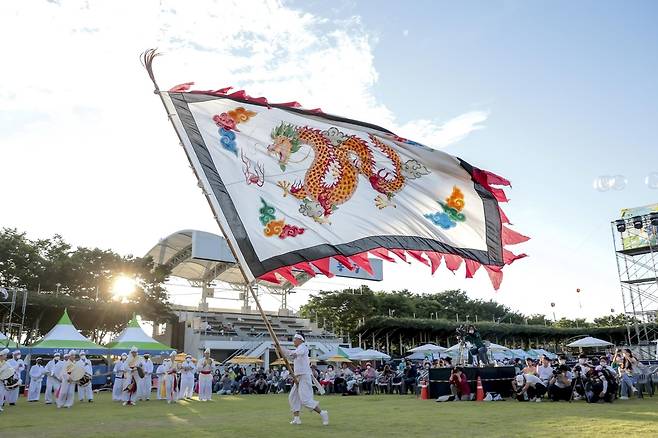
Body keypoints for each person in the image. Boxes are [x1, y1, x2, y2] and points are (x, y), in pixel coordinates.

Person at [285, 333, 329, 426]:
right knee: (293, 397)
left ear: (300, 340)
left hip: (304, 376)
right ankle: (296, 418)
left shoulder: (303, 347)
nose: (293, 340)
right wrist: (280, 349)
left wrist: (283, 350)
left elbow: (295, 353)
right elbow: (291, 355)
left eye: (295, 339)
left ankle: (323, 413)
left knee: (305, 400)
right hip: (298, 377)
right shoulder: (298, 349)